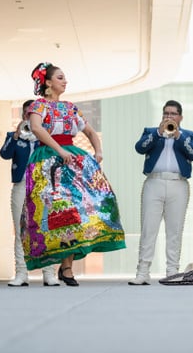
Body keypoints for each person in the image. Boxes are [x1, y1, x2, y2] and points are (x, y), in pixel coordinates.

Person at [23, 62, 126, 286]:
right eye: (60, 77)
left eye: (65, 78)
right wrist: (59, 150)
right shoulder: (38, 106)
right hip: (47, 162)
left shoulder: (70, 107)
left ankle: (67, 267)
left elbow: (89, 131)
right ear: (48, 82)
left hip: (72, 160)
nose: (65, 81)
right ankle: (63, 267)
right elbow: (37, 129)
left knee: (79, 209)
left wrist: (98, 152)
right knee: (56, 212)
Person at [129, 100, 193, 285]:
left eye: (173, 114)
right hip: (154, 182)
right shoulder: (151, 132)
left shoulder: (190, 135)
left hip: (178, 183)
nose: (169, 117)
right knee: (148, 229)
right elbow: (140, 147)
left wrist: (178, 136)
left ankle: (172, 272)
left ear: (180, 117)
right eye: (166, 114)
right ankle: (143, 272)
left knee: (175, 230)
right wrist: (158, 133)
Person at [0, 99, 60, 287]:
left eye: (32, 113)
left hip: (42, 185)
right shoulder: (14, 136)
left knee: (45, 229)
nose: (28, 116)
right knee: (20, 230)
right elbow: (5, 154)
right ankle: (21, 273)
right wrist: (16, 136)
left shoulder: (46, 137)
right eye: (26, 113)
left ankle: (49, 274)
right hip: (21, 184)